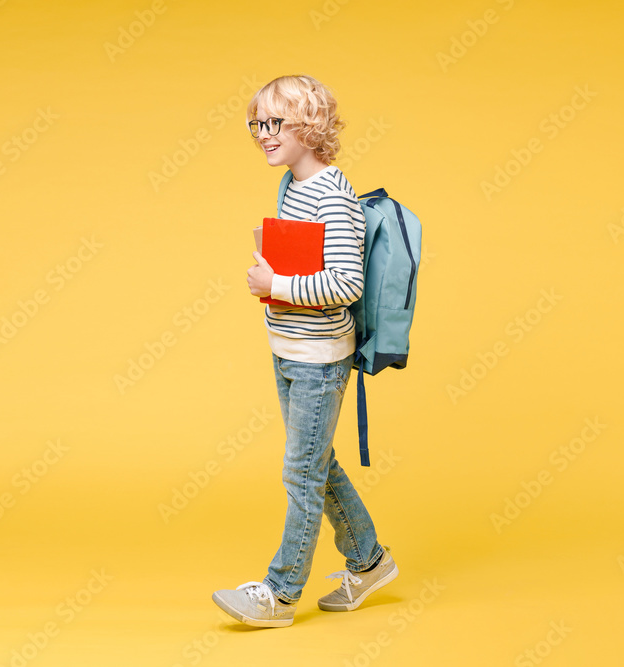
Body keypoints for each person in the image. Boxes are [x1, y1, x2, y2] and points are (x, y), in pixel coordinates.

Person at [211, 75, 398, 628]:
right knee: (316, 464)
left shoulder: (332, 194)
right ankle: (369, 562)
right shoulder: (292, 187)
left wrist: (275, 286)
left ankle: (280, 592)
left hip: (318, 357)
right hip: (288, 346)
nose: (263, 135)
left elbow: (345, 284)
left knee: (300, 473)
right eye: (257, 125)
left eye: (275, 124)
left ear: (309, 126)